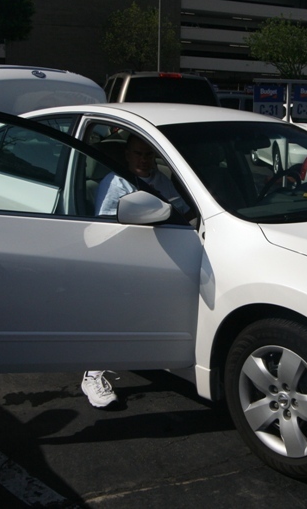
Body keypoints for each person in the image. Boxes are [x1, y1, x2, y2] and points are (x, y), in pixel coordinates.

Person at [82, 134, 189, 408]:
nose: (143, 160)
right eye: (137, 154)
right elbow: (104, 227)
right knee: (115, 312)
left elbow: (181, 211)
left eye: (148, 155)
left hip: (164, 252)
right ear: (127, 155)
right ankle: (93, 372)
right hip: (125, 257)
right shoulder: (115, 183)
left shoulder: (161, 180)